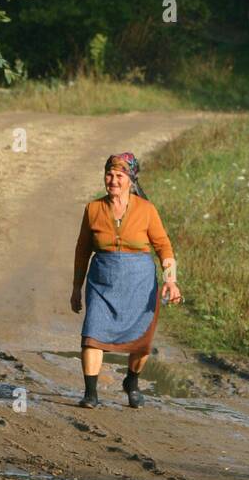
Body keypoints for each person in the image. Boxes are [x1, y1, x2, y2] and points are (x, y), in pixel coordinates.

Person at [70, 152, 182, 408]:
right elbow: (82, 250)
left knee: (140, 342)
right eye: (109, 174)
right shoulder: (93, 209)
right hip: (102, 280)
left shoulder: (147, 210)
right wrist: (77, 287)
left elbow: (163, 246)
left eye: (119, 176)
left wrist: (171, 281)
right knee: (92, 334)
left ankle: (131, 382)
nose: (113, 180)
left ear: (130, 179)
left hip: (140, 283)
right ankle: (91, 394)